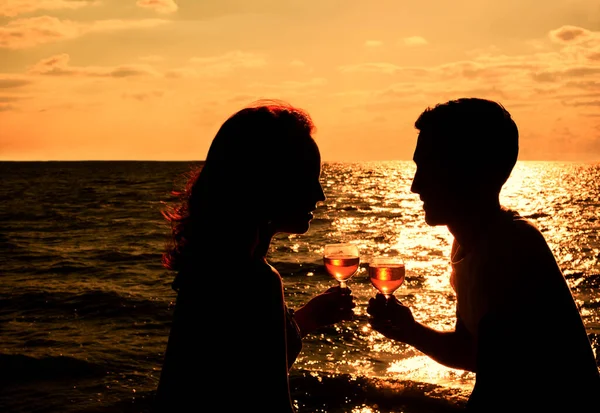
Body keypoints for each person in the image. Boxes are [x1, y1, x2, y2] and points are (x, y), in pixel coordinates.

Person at [367, 98, 600, 412]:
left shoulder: (510, 250)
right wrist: (410, 330)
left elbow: (498, 391)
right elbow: (472, 352)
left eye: (430, 169)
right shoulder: (470, 245)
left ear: (471, 173)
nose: (415, 185)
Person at [153, 100, 356, 412]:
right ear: (267, 181)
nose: (320, 194)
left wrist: (307, 319)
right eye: (306, 179)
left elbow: (235, 373)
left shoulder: (209, 267)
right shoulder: (255, 280)